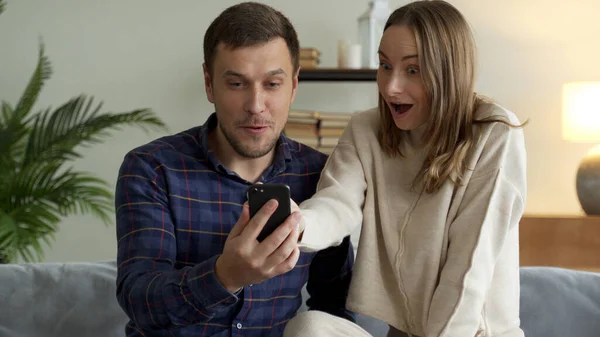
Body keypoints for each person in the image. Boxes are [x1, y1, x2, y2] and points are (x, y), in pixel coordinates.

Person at [284, 1, 528, 337]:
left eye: (412, 70)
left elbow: (468, 273)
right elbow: (337, 202)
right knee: (310, 327)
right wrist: (298, 225)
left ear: (448, 71)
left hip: (469, 333)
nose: (390, 87)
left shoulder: (494, 132)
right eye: (385, 65)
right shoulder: (365, 129)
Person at [114, 2, 355, 336]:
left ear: (294, 86)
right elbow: (140, 300)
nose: (256, 106)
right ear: (209, 84)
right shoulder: (152, 169)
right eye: (237, 84)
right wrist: (225, 276)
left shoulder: (319, 176)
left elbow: (336, 306)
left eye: (272, 84)